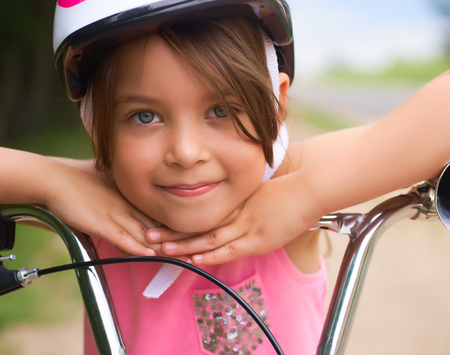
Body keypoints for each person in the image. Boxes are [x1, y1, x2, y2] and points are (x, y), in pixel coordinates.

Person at [1, 0, 450, 353]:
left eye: (220, 110)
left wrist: (304, 196)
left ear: (276, 106)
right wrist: (48, 179)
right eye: (144, 116)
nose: (186, 152)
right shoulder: (101, 205)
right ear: (96, 125)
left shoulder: (286, 181)